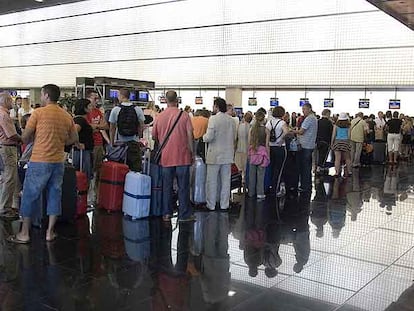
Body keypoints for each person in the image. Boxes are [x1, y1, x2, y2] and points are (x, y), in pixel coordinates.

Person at [8, 84, 78, 244]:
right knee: (55, 195)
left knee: (29, 196)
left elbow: (25, 137)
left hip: (39, 160)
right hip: (58, 162)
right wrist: (59, 142)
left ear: (46, 95)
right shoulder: (66, 116)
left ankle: (24, 233)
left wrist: (24, 137)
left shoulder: (38, 113)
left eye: (41, 94)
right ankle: (50, 232)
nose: (40, 97)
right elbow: (74, 139)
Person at [152, 90, 194, 222]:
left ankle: (166, 213)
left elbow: (154, 136)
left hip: (166, 157)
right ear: (177, 100)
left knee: (167, 186)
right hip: (183, 157)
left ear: (165, 100)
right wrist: (192, 153)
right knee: (183, 187)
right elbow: (190, 136)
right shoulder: (185, 116)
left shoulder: (160, 116)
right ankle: (183, 215)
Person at [203, 97, 236, 211]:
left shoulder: (213, 119)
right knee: (226, 181)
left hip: (214, 155)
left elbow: (209, 137)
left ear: (216, 106)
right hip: (227, 155)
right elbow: (234, 137)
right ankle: (224, 204)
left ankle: (211, 204)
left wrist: (203, 137)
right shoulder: (231, 120)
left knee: (212, 181)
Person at [109, 88, 145, 172]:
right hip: (134, 143)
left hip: (120, 144)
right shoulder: (137, 109)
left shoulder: (115, 110)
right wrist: (139, 138)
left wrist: (112, 142)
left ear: (121, 96)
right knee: (135, 169)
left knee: (120, 170)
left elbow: (112, 128)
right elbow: (141, 126)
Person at [0, 92, 22, 218]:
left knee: (6, 177)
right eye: (10, 100)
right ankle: (5, 209)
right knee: (9, 178)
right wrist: (23, 138)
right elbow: (11, 135)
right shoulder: (3, 115)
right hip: (7, 148)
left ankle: (5, 206)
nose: (12, 102)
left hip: (4, 148)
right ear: (5, 101)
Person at [85, 90, 109, 204]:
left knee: (97, 170)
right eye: (95, 98)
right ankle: (88, 195)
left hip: (99, 144)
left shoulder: (98, 112)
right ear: (88, 99)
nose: (97, 101)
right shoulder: (86, 113)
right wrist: (98, 127)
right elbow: (87, 127)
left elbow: (105, 126)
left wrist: (96, 127)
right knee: (88, 170)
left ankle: (96, 195)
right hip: (90, 144)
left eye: (97, 98)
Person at [292, 103, 318, 192]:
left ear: (310, 109)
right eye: (302, 109)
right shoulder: (314, 118)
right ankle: (307, 185)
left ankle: (304, 186)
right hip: (310, 145)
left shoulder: (309, 119)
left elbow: (301, 131)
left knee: (304, 167)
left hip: (305, 145)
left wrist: (292, 131)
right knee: (307, 166)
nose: (303, 111)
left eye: (304, 109)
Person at [267, 106, 289, 196]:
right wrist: (280, 140)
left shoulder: (269, 122)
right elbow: (286, 132)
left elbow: (267, 136)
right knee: (280, 169)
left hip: (271, 147)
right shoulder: (282, 122)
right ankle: (278, 188)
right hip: (280, 148)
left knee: (272, 168)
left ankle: (272, 187)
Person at [247, 111, 269, 199]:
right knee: (261, 174)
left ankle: (251, 193)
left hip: (253, 153)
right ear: (264, 119)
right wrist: (268, 155)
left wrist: (249, 153)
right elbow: (267, 144)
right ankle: (260, 193)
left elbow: (249, 142)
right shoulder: (266, 130)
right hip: (263, 153)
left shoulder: (251, 129)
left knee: (252, 174)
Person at [73, 99, 94, 180]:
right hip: (82, 153)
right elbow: (74, 131)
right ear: (84, 108)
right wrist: (77, 143)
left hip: (82, 151)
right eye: (89, 106)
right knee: (84, 176)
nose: (91, 108)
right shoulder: (80, 120)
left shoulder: (79, 119)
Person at [331, 113, 352, 177]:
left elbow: (334, 135)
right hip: (345, 142)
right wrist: (349, 143)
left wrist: (332, 143)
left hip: (337, 142)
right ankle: (349, 171)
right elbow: (349, 136)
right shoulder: (348, 126)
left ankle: (337, 172)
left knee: (337, 158)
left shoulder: (336, 125)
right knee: (347, 158)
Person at [235, 111, 252, 185]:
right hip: (247, 149)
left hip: (239, 148)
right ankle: (244, 178)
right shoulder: (251, 127)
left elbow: (236, 138)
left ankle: (239, 179)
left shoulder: (239, 126)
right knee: (245, 166)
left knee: (239, 165)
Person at [316, 109, 333, 174]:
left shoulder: (318, 121)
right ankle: (321, 166)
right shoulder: (329, 123)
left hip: (318, 141)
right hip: (326, 141)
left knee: (319, 154)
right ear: (328, 114)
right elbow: (331, 133)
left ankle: (317, 167)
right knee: (324, 155)